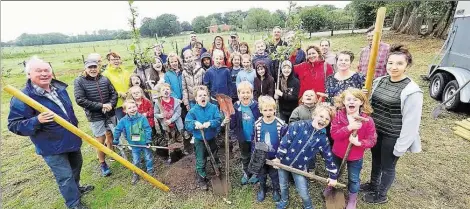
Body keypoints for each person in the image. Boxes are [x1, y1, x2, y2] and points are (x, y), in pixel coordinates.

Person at [8, 56, 94, 209]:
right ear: (29, 74)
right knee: (65, 177)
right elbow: (14, 125)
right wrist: (36, 120)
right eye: (38, 71)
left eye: (47, 70)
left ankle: (76, 189)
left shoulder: (59, 89)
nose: (44, 73)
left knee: (76, 167)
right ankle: (74, 204)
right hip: (51, 145)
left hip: (71, 138)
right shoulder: (22, 98)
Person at [361, 45, 423, 204]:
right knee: (376, 160)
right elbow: (371, 105)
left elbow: (412, 122)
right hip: (377, 131)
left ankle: (381, 195)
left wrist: (401, 146)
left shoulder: (412, 90)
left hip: (393, 134)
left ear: (407, 66)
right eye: (390, 63)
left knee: (388, 165)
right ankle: (373, 184)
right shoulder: (380, 81)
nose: (394, 67)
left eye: (399, 64)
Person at [274, 104, 339, 209]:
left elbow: (328, 158)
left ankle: (308, 206)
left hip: (300, 167)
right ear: (314, 115)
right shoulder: (298, 125)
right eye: (321, 116)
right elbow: (285, 142)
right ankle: (284, 200)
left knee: (303, 190)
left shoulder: (323, 139)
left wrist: (333, 177)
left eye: (327, 119)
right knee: (283, 185)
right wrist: (278, 158)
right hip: (283, 162)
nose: (323, 120)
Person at [328, 88, 377, 209]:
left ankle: (352, 200)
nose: (351, 102)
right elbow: (334, 135)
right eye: (348, 99)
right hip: (337, 153)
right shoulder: (338, 116)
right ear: (343, 102)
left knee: (354, 179)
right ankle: (330, 188)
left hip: (355, 157)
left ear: (361, 102)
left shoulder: (368, 120)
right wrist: (349, 128)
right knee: (333, 172)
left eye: (355, 99)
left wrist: (359, 142)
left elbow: (372, 140)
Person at [74, 57, 117, 177]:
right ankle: (103, 163)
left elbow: (113, 93)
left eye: (95, 67)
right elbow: (80, 99)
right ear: (86, 68)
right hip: (95, 115)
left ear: (98, 67)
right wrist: (100, 106)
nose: (93, 69)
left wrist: (110, 105)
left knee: (111, 135)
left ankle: (112, 154)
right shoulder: (80, 81)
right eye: (90, 67)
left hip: (109, 113)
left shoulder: (104, 79)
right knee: (100, 140)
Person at [184, 85, 222, 191]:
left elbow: (219, 120)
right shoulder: (193, 111)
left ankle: (217, 170)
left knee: (214, 155)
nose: (202, 97)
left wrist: (210, 123)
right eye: (200, 96)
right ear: (196, 98)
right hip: (199, 140)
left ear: (208, 97)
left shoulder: (213, 108)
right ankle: (201, 177)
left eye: (205, 95)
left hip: (211, 138)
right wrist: (194, 123)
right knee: (201, 159)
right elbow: (187, 124)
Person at [250, 96, 288, 202]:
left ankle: (276, 189)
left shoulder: (281, 125)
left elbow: (285, 142)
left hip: (274, 157)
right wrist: (255, 155)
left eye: (270, 109)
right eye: (265, 110)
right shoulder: (257, 124)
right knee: (261, 175)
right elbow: (254, 141)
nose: (268, 112)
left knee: (274, 175)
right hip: (261, 156)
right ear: (261, 111)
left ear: (275, 110)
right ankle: (262, 188)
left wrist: (280, 156)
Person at [112, 100, 153, 185]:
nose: (132, 109)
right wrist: (116, 139)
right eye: (129, 108)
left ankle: (150, 171)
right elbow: (117, 129)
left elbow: (148, 129)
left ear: (137, 107)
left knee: (148, 157)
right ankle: (136, 173)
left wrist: (148, 140)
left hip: (144, 143)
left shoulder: (142, 118)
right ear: (125, 111)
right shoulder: (123, 121)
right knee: (136, 160)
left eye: (134, 107)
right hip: (134, 145)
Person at [228, 81, 261, 185]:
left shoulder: (257, 106)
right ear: (238, 94)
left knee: (255, 155)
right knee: (245, 156)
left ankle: (256, 174)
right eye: (243, 93)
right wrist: (229, 122)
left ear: (252, 94)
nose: (245, 95)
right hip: (242, 137)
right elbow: (233, 124)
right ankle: (246, 173)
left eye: (248, 92)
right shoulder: (236, 106)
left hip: (255, 137)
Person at [154, 83, 188, 161]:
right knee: (170, 140)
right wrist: (161, 116)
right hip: (167, 127)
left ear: (170, 91)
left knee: (179, 138)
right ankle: (172, 155)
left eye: (167, 89)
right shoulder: (158, 103)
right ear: (160, 93)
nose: (166, 91)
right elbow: (155, 114)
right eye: (163, 90)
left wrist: (171, 120)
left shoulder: (175, 101)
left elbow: (178, 112)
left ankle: (181, 151)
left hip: (176, 124)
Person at [102, 52, 133, 120]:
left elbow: (131, 84)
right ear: (109, 61)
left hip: (129, 103)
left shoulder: (126, 72)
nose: (116, 61)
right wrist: (119, 93)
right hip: (117, 104)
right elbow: (105, 90)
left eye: (117, 59)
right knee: (123, 124)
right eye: (113, 60)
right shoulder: (105, 75)